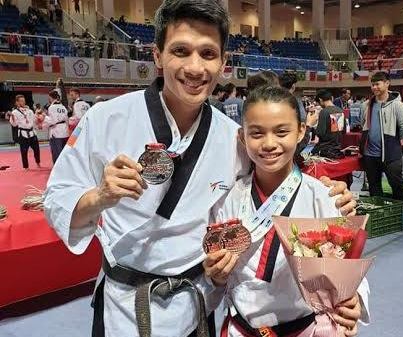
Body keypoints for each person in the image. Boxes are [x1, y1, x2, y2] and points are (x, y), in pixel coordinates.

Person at [43, 1, 356, 337]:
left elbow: (277, 172)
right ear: (157, 55)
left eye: (208, 54)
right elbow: (56, 199)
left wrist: (328, 192)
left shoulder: (231, 137)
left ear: (223, 62)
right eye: (181, 50)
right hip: (125, 305)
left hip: (196, 305)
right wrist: (100, 197)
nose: (195, 68)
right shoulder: (105, 119)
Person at [203, 85, 369, 337]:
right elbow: (215, 284)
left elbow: (347, 268)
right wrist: (215, 277)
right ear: (241, 136)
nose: (269, 144)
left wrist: (354, 299)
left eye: (281, 132)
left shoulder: (324, 196)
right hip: (242, 329)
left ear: (301, 131)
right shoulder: (226, 199)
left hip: (307, 328)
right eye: (256, 133)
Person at [360, 71, 403, 202]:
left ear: (387, 83)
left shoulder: (398, 105)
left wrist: (392, 141)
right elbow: (363, 123)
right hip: (370, 155)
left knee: (397, 186)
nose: (374, 87)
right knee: (374, 187)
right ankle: (379, 213)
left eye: (377, 84)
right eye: (372, 85)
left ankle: (401, 213)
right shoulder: (366, 105)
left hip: (391, 155)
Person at [36, 90, 69, 164]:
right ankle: (65, 167)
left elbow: (52, 121)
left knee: (56, 152)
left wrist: (43, 120)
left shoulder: (52, 107)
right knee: (64, 152)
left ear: (50, 97)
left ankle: (58, 169)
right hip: (65, 131)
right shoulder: (63, 107)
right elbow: (67, 119)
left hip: (56, 132)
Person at [9, 95, 41, 170]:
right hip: (23, 133)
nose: (23, 102)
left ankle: (38, 162)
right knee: (24, 151)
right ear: (17, 102)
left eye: (24, 100)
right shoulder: (14, 112)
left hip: (32, 132)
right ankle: (26, 166)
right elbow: (14, 124)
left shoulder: (29, 111)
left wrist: (38, 123)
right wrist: (12, 117)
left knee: (36, 149)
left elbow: (34, 120)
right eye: (21, 101)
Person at [311, 89, 345, 158]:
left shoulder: (324, 112)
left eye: (319, 103)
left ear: (320, 100)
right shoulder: (341, 111)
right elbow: (343, 131)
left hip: (325, 149)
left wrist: (314, 126)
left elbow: (320, 133)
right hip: (337, 148)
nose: (320, 105)